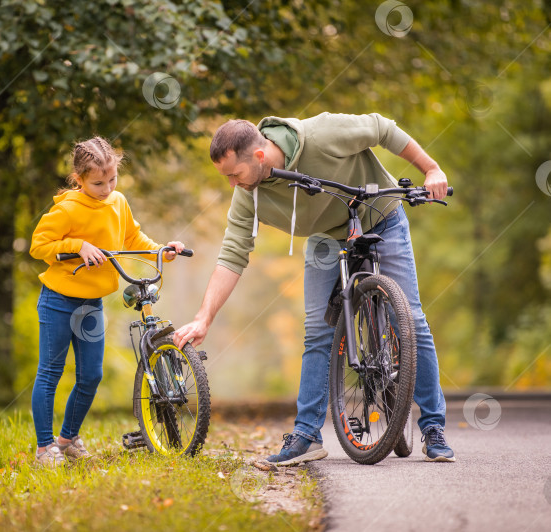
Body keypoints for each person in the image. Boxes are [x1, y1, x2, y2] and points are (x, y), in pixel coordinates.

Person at [173, 113, 456, 464]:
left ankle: (433, 428)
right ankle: (307, 435)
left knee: (410, 318)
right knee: (317, 332)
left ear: (259, 157)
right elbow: (232, 255)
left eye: (234, 174)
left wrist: (431, 169)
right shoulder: (249, 192)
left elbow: (383, 129)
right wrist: (205, 318)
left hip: (379, 214)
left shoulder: (321, 134)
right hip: (325, 239)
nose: (232, 184)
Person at [29, 136, 184, 467]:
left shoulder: (118, 202)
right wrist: (77, 244)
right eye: (98, 182)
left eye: (112, 179)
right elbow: (39, 245)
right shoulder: (67, 207)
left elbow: (133, 238)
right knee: (50, 372)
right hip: (57, 300)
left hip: (91, 305)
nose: (106, 187)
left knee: (91, 376)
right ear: (79, 179)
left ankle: (68, 439)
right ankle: (44, 448)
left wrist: (161, 251)